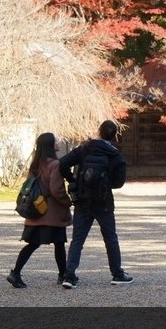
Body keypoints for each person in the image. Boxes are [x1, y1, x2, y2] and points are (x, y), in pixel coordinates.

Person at [58, 119, 132, 288]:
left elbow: (62, 164)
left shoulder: (85, 148)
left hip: (83, 199)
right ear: (114, 136)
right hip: (103, 201)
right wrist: (105, 184)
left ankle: (69, 276)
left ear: (98, 131)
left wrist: (74, 180)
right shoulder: (115, 155)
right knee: (110, 238)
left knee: (78, 239)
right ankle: (117, 274)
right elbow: (119, 182)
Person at [7, 132, 72, 288]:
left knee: (35, 244)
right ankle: (62, 275)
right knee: (58, 243)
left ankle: (16, 273)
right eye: (56, 141)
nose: (58, 142)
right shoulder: (54, 165)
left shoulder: (36, 164)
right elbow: (56, 189)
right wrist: (67, 201)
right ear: (50, 145)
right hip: (51, 212)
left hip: (36, 208)